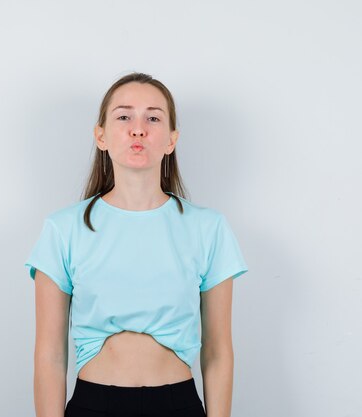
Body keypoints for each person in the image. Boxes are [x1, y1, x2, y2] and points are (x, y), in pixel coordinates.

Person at [24, 72, 249, 417]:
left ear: (171, 140)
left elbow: (218, 351)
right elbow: (50, 354)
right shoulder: (63, 229)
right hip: (93, 405)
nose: (138, 129)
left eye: (153, 118)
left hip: (178, 405)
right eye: (124, 116)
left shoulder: (208, 228)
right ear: (101, 136)